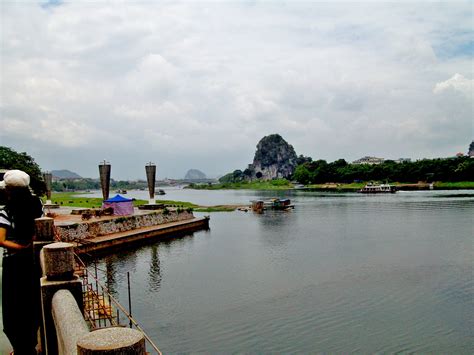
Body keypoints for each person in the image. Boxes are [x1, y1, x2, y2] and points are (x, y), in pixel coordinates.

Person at [0, 170, 43, 355]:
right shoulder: (37, 205)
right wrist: (30, 245)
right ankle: (31, 344)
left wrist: (20, 247)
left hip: (14, 264)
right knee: (32, 303)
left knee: (13, 307)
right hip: (34, 262)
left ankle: (21, 349)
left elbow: (1, 240)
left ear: (8, 190)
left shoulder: (5, 211)